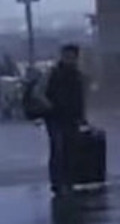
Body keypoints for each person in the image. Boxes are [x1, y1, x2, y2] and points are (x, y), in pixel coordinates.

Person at [31, 44, 87, 195]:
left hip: (71, 117)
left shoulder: (77, 75)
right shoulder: (53, 73)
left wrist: (82, 117)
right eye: (66, 55)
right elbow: (38, 92)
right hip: (55, 117)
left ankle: (68, 181)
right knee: (58, 149)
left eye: (72, 56)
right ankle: (58, 182)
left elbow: (80, 98)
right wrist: (50, 106)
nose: (69, 59)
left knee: (70, 149)